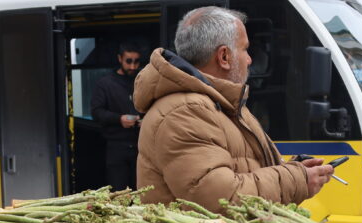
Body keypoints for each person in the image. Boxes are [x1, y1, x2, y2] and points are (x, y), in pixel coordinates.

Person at [133, 6, 333, 212]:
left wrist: (295, 170)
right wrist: (295, 180)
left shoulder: (223, 103)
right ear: (224, 57)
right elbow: (222, 198)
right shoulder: (184, 111)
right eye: (245, 49)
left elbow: (243, 172)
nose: (249, 59)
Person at [91, 43, 143, 192]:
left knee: (142, 191)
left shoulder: (142, 81)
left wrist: (146, 120)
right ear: (120, 59)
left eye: (136, 61)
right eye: (128, 61)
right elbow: (96, 112)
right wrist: (119, 119)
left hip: (140, 145)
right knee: (119, 192)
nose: (133, 66)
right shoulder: (105, 84)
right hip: (116, 146)